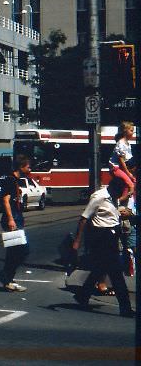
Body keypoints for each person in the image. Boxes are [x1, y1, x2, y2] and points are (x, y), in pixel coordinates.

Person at [71, 177, 134, 317]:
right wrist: (77, 240)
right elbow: (84, 218)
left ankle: (82, 295)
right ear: (113, 188)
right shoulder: (99, 197)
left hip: (112, 236)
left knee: (100, 269)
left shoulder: (113, 197)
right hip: (101, 237)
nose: (120, 195)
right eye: (119, 191)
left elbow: (110, 214)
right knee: (116, 272)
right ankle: (125, 308)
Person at [0, 155, 31, 292]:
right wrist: (11, 219)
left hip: (17, 217)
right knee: (20, 250)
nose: (29, 169)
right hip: (12, 219)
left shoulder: (16, 180)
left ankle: (8, 278)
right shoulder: (10, 180)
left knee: (16, 251)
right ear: (21, 167)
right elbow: (6, 200)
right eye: (28, 166)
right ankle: (6, 277)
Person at [109, 121, 135, 197]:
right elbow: (121, 160)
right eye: (131, 130)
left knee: (127, 185)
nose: (133, 133)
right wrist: (128, 173)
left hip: (121, 169)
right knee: (131, 185)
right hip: (116, 168)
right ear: (125, 131)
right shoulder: (121, 143)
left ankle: (125, 204)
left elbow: (127, 159)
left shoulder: (127, 144)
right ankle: (119, 203)